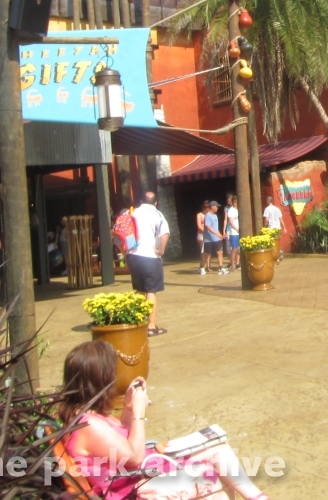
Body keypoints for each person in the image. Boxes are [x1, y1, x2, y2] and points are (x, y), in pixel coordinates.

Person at [58, 341, 269, 500]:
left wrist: (129, 407)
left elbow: (120, 440)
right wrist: (139, 412)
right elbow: (134, 458)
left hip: (138, 476)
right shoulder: (89, 424)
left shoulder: (85, 413)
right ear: (101, 378)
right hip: (133, 489)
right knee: (214, 477)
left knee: (218, 449)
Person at [130, 191, 170, 337]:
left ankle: (138, 323)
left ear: (141, 201)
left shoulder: (132, 213)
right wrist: (161, 250)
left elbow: (117, 233)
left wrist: (125, 250)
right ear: (155, 203)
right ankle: (151, 327)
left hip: (133, 255)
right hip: (150, 256)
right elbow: (165, 233)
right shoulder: (157, 214)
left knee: (140, 290)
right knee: (151, 291)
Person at [199, 201, 227, 276]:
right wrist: (216, 233)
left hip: (216, 238)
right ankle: (202, 267)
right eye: (216, 206)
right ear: (212, 207)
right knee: (206, 254)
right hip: (208, 239)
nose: (217, 208)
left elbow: (215, 227)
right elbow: (208, 227)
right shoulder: (207, 215)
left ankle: (221, 268)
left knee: (220, 252)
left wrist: (219, 234)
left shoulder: (215, 215)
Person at [223, 194, 241, 270]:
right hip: (234, 232)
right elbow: (230, 222)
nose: (236, 204)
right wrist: (237, 229)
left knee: (239, 249)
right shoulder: (231, 211)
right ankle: (232, 264)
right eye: (235, 202)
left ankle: (238, 263)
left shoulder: (238, 210)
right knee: (234, 249)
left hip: (239, 231)